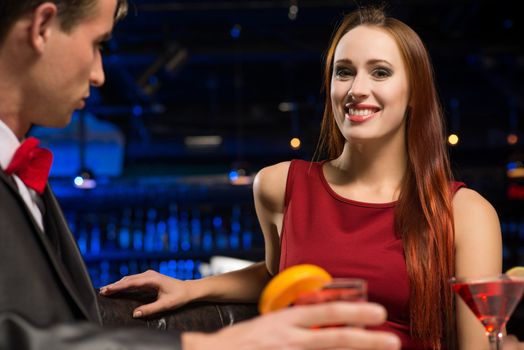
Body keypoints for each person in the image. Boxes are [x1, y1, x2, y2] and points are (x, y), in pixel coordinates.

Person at [101, 5, 521, 350]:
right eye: (344, 72)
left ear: (415, 95)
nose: (356, 88)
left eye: (380, 72)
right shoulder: (277, 185)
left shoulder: (464, 213)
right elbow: (280, 273)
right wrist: (191, 288)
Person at [0, 1, 403, 349]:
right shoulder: (284, 184)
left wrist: (193, 290)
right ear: (41, 28)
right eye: (97, 45)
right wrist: (202, 343)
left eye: (381, 72)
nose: (101, 74)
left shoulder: (25, 180)